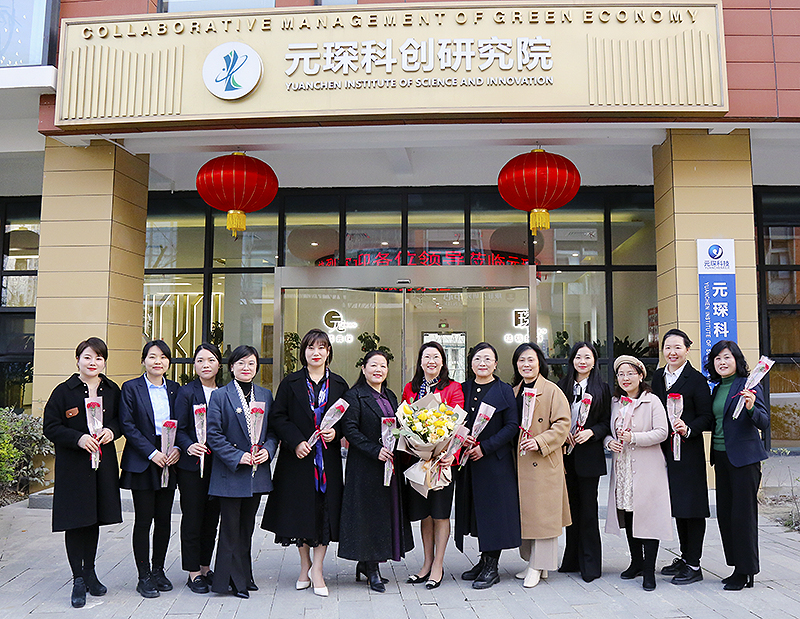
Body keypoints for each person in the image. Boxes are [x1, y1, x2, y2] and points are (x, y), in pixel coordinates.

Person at [262, 329, 349, 597]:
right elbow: (278, 417)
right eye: (311, 347)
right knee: (300, 512)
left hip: (327, 461)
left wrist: (337, 433)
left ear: (328, 352)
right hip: (297, 460)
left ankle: (318, 569)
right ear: (304, 352)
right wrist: (296, 441)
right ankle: (304, 565)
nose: (316, 352)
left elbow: (347, 419)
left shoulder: (339, 384)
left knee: (325, 513)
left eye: (321, 347)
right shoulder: (290, 383)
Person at [43, 337, 122, 608]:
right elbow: (50, 426)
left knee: (93, 519)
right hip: (74, 468)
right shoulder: (63, 391)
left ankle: (90, 572)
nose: (93, 362)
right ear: (77, 360)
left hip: (102, 466)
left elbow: (121, 420)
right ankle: (78, 578)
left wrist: (112, 431)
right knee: (76, 521)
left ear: (104, 362)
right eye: (87, 357)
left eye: (99, 358)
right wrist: (78, 438)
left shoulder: (112, 389)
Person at [339, 350, 414, 593]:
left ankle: (368, 563)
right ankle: (371, 568)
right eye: (373, 365)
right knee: (368, 517)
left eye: (383, 365)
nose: (378, 370)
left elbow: (398, 427)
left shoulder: (390, 396)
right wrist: (375, 450)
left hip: (390, 466)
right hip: (365, 467)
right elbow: (350, 430)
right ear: (363, 369)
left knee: (384, 516)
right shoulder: (354, 396)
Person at [206, 345, 277, 598]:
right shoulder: (220, 395)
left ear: (257, 368)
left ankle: (245, 575)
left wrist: (268, 450)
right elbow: (213, 434)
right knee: (229, 528)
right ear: (232, 367)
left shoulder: (265, 395)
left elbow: (272, 431)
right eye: (241, 363)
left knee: (247, 527)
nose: (246, 368)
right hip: (231, 471)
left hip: (256, 471)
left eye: (251, 364)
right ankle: (231, 581)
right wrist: (238, 457)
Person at [455, 342, 521, 589]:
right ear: (470, 363)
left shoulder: (504, 390)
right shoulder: (463, 388)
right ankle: (484, 561)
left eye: (487, 359)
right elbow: (453, 421)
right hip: (468, 463)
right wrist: (462, 438)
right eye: (477, 359)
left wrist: (485, 447)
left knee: (495, 513)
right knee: (477, 513)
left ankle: (492, 567)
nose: (482, 363)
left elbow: (512, 426)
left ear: (495, 364)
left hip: (495, 463)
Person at [706, 340, 769, 591]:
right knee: (726, 515)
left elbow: (764, 422)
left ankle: (746, 571)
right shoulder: (717, 389)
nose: (722, 362)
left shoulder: (749, 385)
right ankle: (736, 566)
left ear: (737, 360)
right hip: (722, 458)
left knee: (743, 517)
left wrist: (751, 407)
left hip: (744, 460)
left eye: (727, 357)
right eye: (717, 358)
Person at [605, 355, 671, 592]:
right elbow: (608, 430)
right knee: (629, 514)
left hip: (648, 467)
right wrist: (608, 441)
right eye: (621, 374)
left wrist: (634, 437)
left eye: (630, 373)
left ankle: (649, 570)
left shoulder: (651, 401)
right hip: (623, 467)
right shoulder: (615, 402)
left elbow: (662, 432)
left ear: (641, 375)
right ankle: (636, 563)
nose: (625, 378)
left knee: (649, 516)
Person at [119, 340, 180, 598]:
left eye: (163, 357)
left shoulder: (176, 389)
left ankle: (158, 570)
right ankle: (143, 576)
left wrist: (177, 448)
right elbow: (127, 425)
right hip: (144, 458)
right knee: (144, 520)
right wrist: (152, 453)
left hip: (170, 457)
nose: (158, 361)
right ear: (143, 360)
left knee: (164, 519)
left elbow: (183, 423)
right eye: (152, 356)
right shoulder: (131, 387)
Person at [652, 329, 713, 585]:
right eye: (668, 347)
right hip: (663, 451)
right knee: (677, 506)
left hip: (688, 453)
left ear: (688, 349)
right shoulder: (658, 377)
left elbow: (707, 417)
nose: (672, 352)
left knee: (693, 507)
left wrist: (688, 428)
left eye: (678, 347)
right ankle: (685, 556)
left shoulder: (696, 380)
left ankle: (694, 564)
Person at [402, 341, 464, 590]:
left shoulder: (453, 387)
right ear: (420, 361)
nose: (431, 361)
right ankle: (426, 563)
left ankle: (438, 564)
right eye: (426, 357)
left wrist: (450, 453)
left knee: (440, 513)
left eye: (436, 357)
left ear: (443, 362)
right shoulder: (410, 388)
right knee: (424, 514)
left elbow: (458, 424)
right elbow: (405, 420)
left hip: (443, 461)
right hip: (418, 461)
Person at [512, 342, 571, 588]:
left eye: (531, 360)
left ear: (540, 363)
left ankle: (539, 565)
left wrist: (540, 441)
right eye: (521, 360)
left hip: (544, 463)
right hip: (521, 463)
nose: (526, 364)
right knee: (528, 516)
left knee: (544, 516)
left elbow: (563, 424)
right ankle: (534, 563)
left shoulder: (552, 390)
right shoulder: (514, 391)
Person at [556, 341, 611, 583]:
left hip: (589, 456)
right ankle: (571, 560)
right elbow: (554, 417)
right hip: (566, 456)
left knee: (588, 511)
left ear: (594, 361)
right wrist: (562, 433)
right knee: (571, 510)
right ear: (572, 360)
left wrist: (591, 432)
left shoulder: (602, 389)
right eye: (578, 357)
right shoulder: (563, 386)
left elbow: (607, 422)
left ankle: (590, 564)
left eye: (587, 357)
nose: (582, 361)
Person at [174, 343, 223, 594]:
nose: (206, 365)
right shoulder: (186, 392)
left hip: (218, 466)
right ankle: (192, 572)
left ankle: (205, 567)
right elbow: (179, 428)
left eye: (211, 360)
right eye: (201, 360)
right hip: (192, 467)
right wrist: (188, 445)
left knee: (212, 519)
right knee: (193, 518)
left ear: (219, 365)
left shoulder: (224, 392)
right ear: (194, 365)